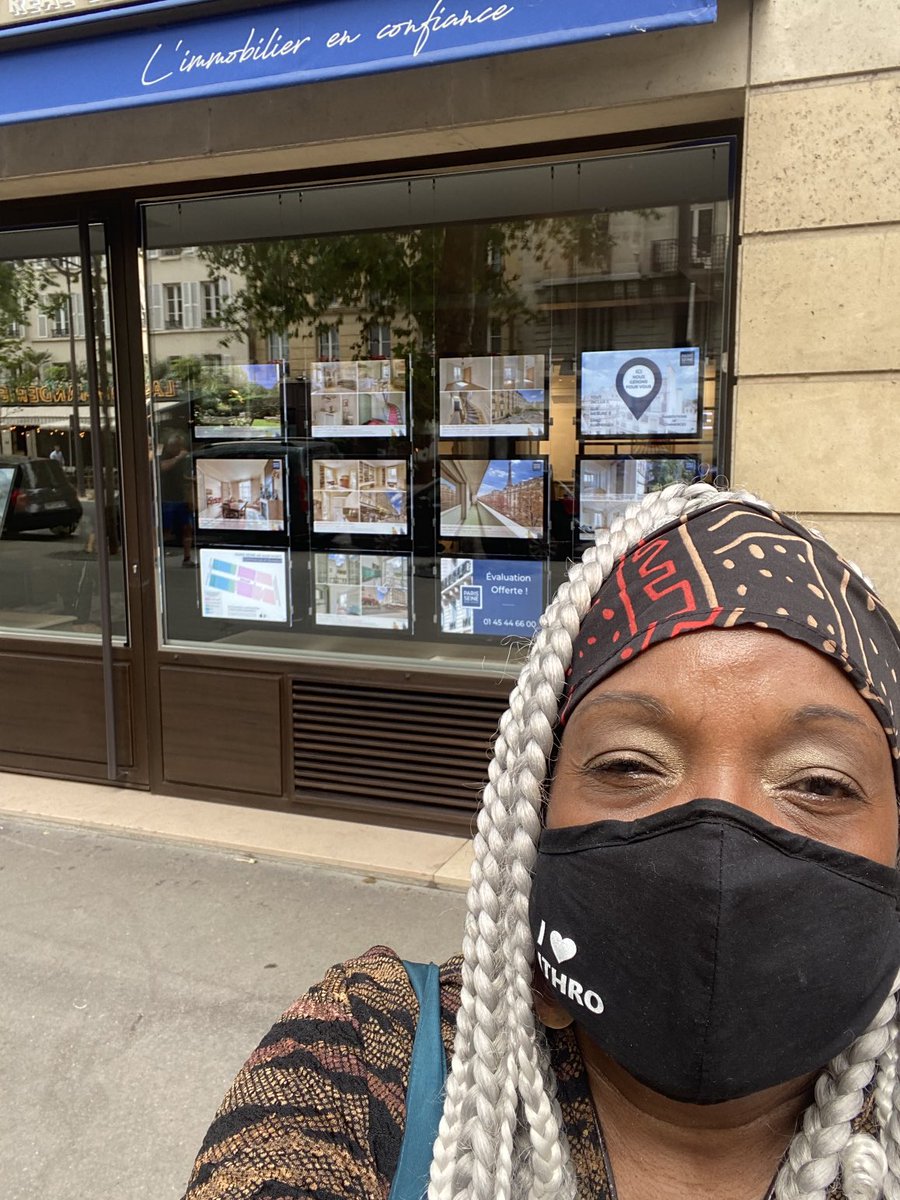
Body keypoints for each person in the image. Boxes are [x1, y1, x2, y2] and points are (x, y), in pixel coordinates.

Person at [181, 482, 900, 1200]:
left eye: (820, 783)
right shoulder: (370, 1053)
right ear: (535, 811)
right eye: (629, 764)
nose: (719, 834)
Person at [158, 433, 196, 567]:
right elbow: (163, 467)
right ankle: (157, 557)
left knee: (187, 528)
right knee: (165, 530)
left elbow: (183, 476)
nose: (179, 448)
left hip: (182, 498)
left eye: (180, 446)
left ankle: (187, 558)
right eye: (176, 445)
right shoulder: (164, 456)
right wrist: (178, 457)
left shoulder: (184, 459)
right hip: (167, 498)